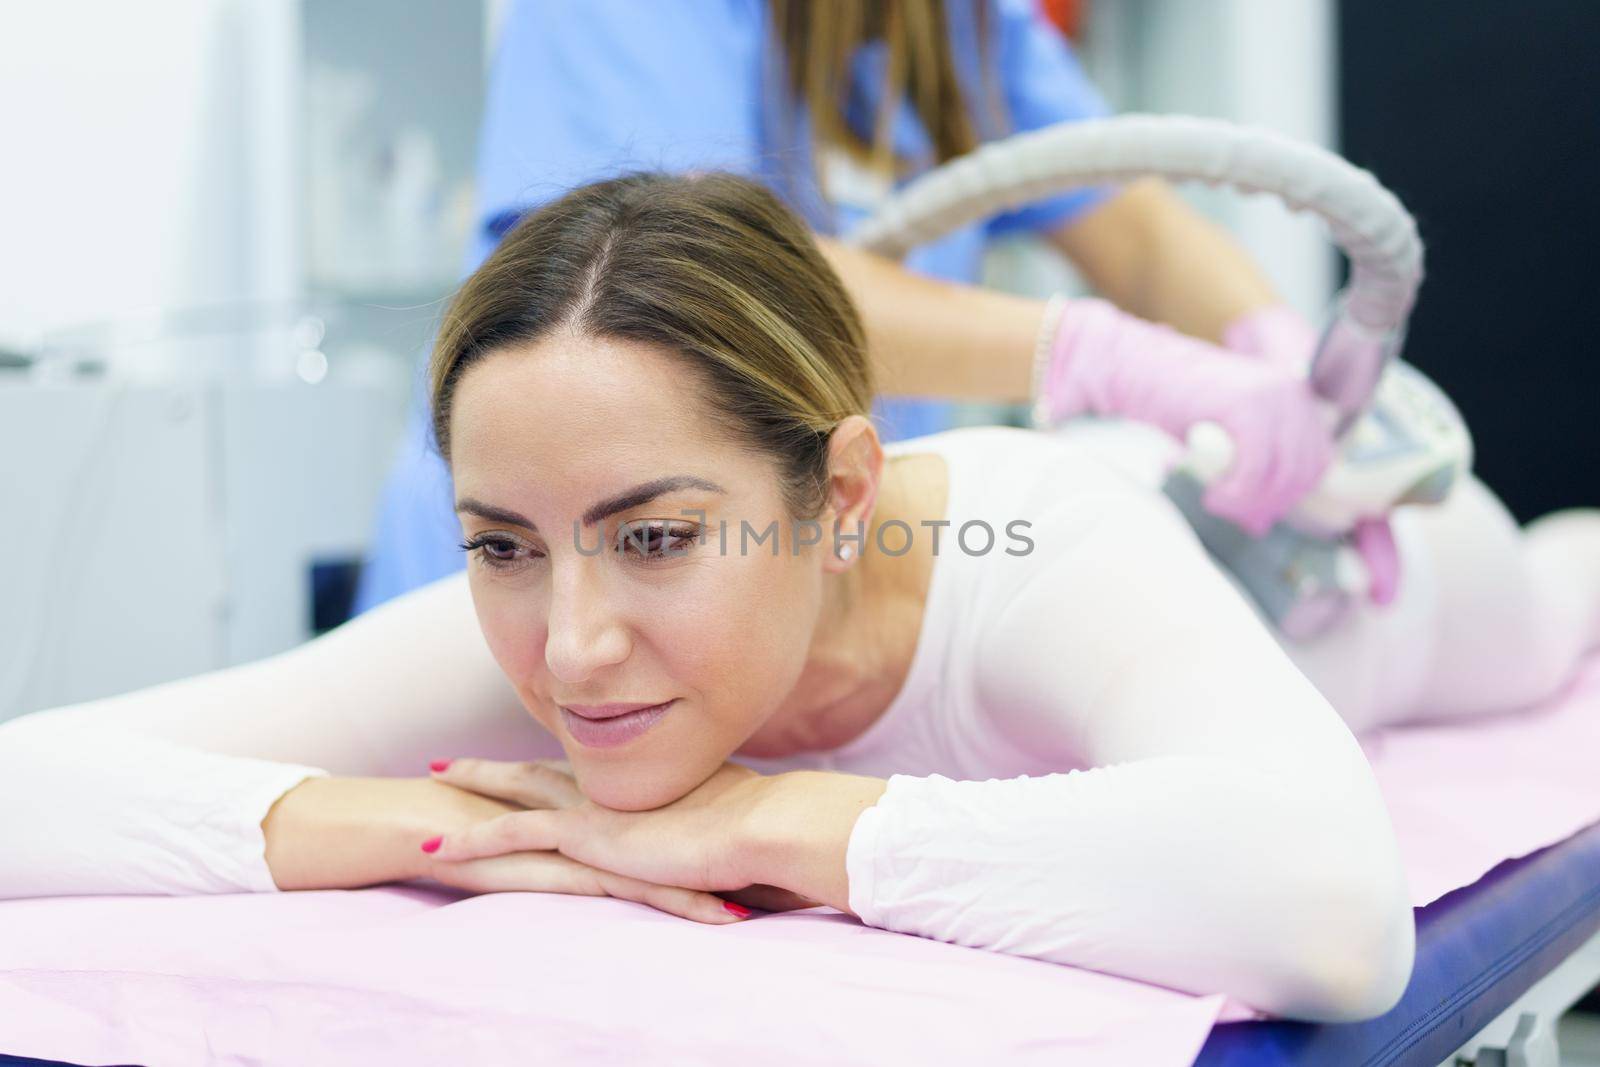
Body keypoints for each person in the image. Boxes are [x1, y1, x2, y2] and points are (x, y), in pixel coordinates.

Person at [5, 173, 1597, 1025]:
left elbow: (1332, 914)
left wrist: (770, 822)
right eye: (499, 542)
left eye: (654, 538)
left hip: (1345, 572)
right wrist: (424, 827)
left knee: (1550, 594)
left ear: (837, 495)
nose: (569, 650)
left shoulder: (1034, 546)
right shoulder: (562, 614)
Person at [353, 0, 1329, 612]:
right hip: (555, 582)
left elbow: (1138, 230)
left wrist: (1282, 363)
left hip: (780, 594)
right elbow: (713, 280)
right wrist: (1094, 356)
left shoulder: (960, 24)